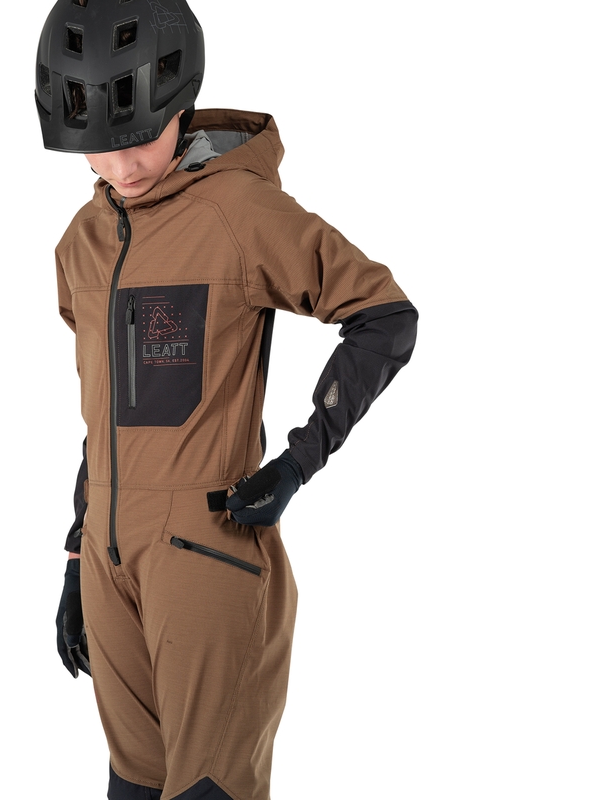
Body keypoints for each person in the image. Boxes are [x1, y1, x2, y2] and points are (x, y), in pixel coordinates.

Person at [35, 1, 418, 798]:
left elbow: (383, 317)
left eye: (140, 137)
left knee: (209, 788)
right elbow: (103, 412)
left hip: (205, 551)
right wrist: (77, 555)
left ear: (179, 104)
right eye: (98, 145)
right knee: (132, 786)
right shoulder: (81, 243)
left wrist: (297, 462)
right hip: (108, 561)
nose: (122, 165)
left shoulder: (239, 212)